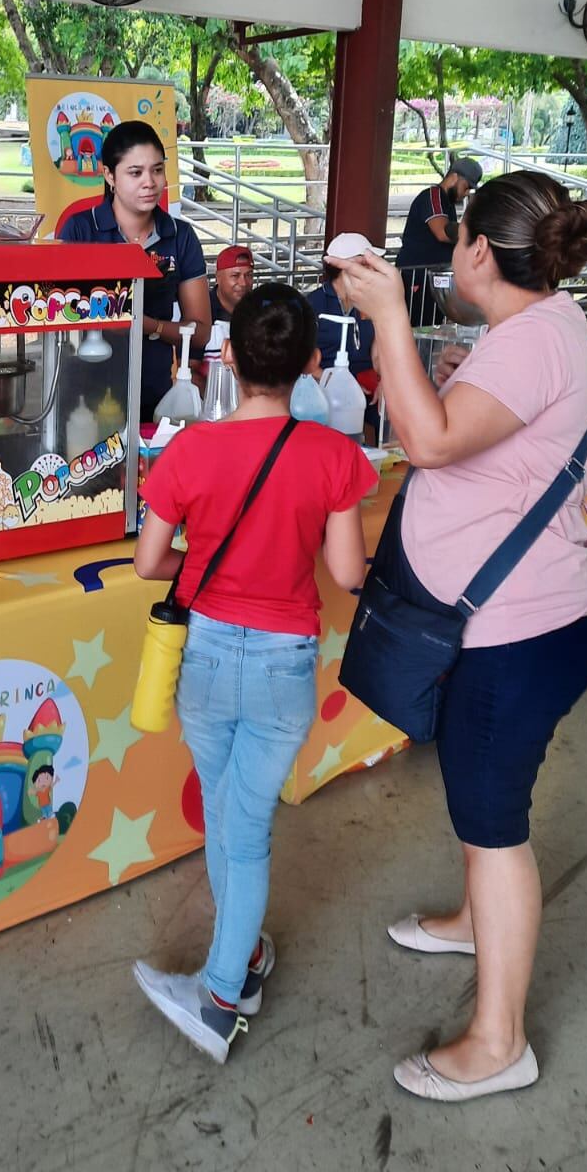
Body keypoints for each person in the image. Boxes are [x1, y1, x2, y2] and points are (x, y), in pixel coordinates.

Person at [329, 170, 587, 1103]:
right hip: (524, 621)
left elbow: (435, 443)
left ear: (482, 253)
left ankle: (500, 1042)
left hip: (518, 632)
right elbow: (483, 420)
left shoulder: (528, 345)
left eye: (456, 239)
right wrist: (453, 377)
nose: (448, 252)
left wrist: (389, 320)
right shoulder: (541, 323)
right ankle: (469, 922)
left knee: (496, 828)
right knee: (474, 790)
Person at [130, 285, 377, 1061]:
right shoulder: (334, 456)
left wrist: (200, 565)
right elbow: (347, 573)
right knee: (243, 823)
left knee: (230, 821)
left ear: (227, 355)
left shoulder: (189, 450)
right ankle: (244, 957)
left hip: (204, 654)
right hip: (284, 665)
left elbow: (148, 563)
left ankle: (220, 996)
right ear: (310, 364)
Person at [57, 121, 210, 421]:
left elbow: (200, 332)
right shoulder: (79, 229)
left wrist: (148, 325)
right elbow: (57, 316)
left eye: (157, 170)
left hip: (157, 392)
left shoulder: (180, 236)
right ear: (109, 175)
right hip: (83, 393)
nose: (150, 182)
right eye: (135, 172)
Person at [396, 156, 482, 325]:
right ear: (455, 177)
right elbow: (442, 232)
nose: (465, 194)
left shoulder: (446, 203)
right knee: (416, 326)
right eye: (466, 187)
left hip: (430, 280)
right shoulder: (433, 196)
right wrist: (473, 232)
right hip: (416, 277)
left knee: (429, 326)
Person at [306, 231, 381, 376]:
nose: (372, 270)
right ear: (342, 266)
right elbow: (302, 358)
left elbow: (379, 351)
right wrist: (332, 383)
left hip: (366, 382)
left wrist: (384, 380)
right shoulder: (314, 303)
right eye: (365, 264)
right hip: (322, 386)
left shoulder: (372, 301)